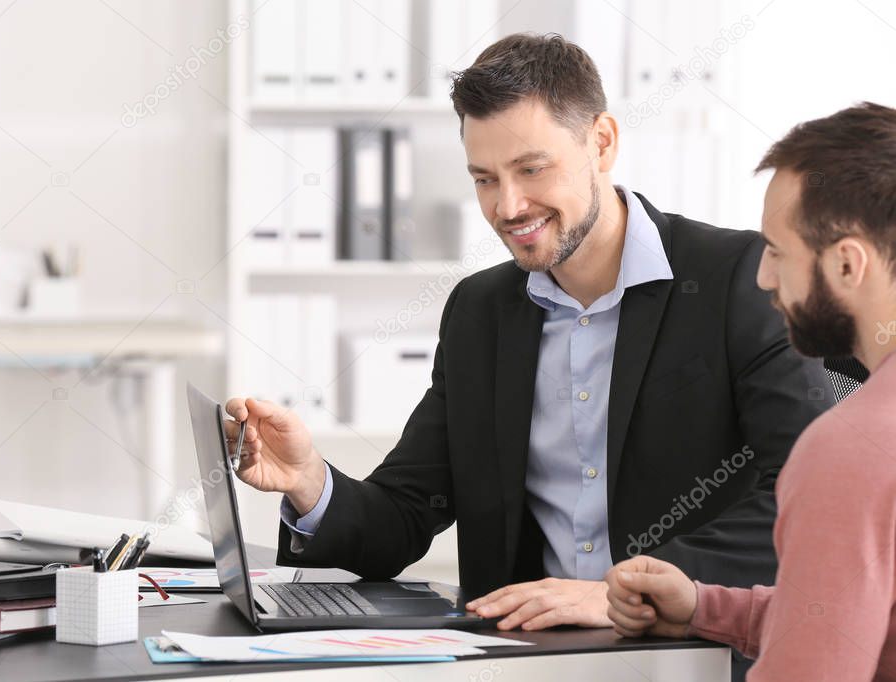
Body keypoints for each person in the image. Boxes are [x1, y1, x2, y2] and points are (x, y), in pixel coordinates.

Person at [224, 32, 832, 654]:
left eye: (531, 169)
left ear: (601, 143)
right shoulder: (480, 311)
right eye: (484, 178)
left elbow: (811, 496)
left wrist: (624, 591)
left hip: (688, 652)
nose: (507, 206)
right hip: (528, 658)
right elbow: (406, 513)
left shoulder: (738, 278)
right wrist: (308, 481)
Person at [605, 102, 896, 681]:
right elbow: (861, 627)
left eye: (779, 252)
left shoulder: (850, 449)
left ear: (846, 265)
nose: (764, 277)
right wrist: (706, 607)